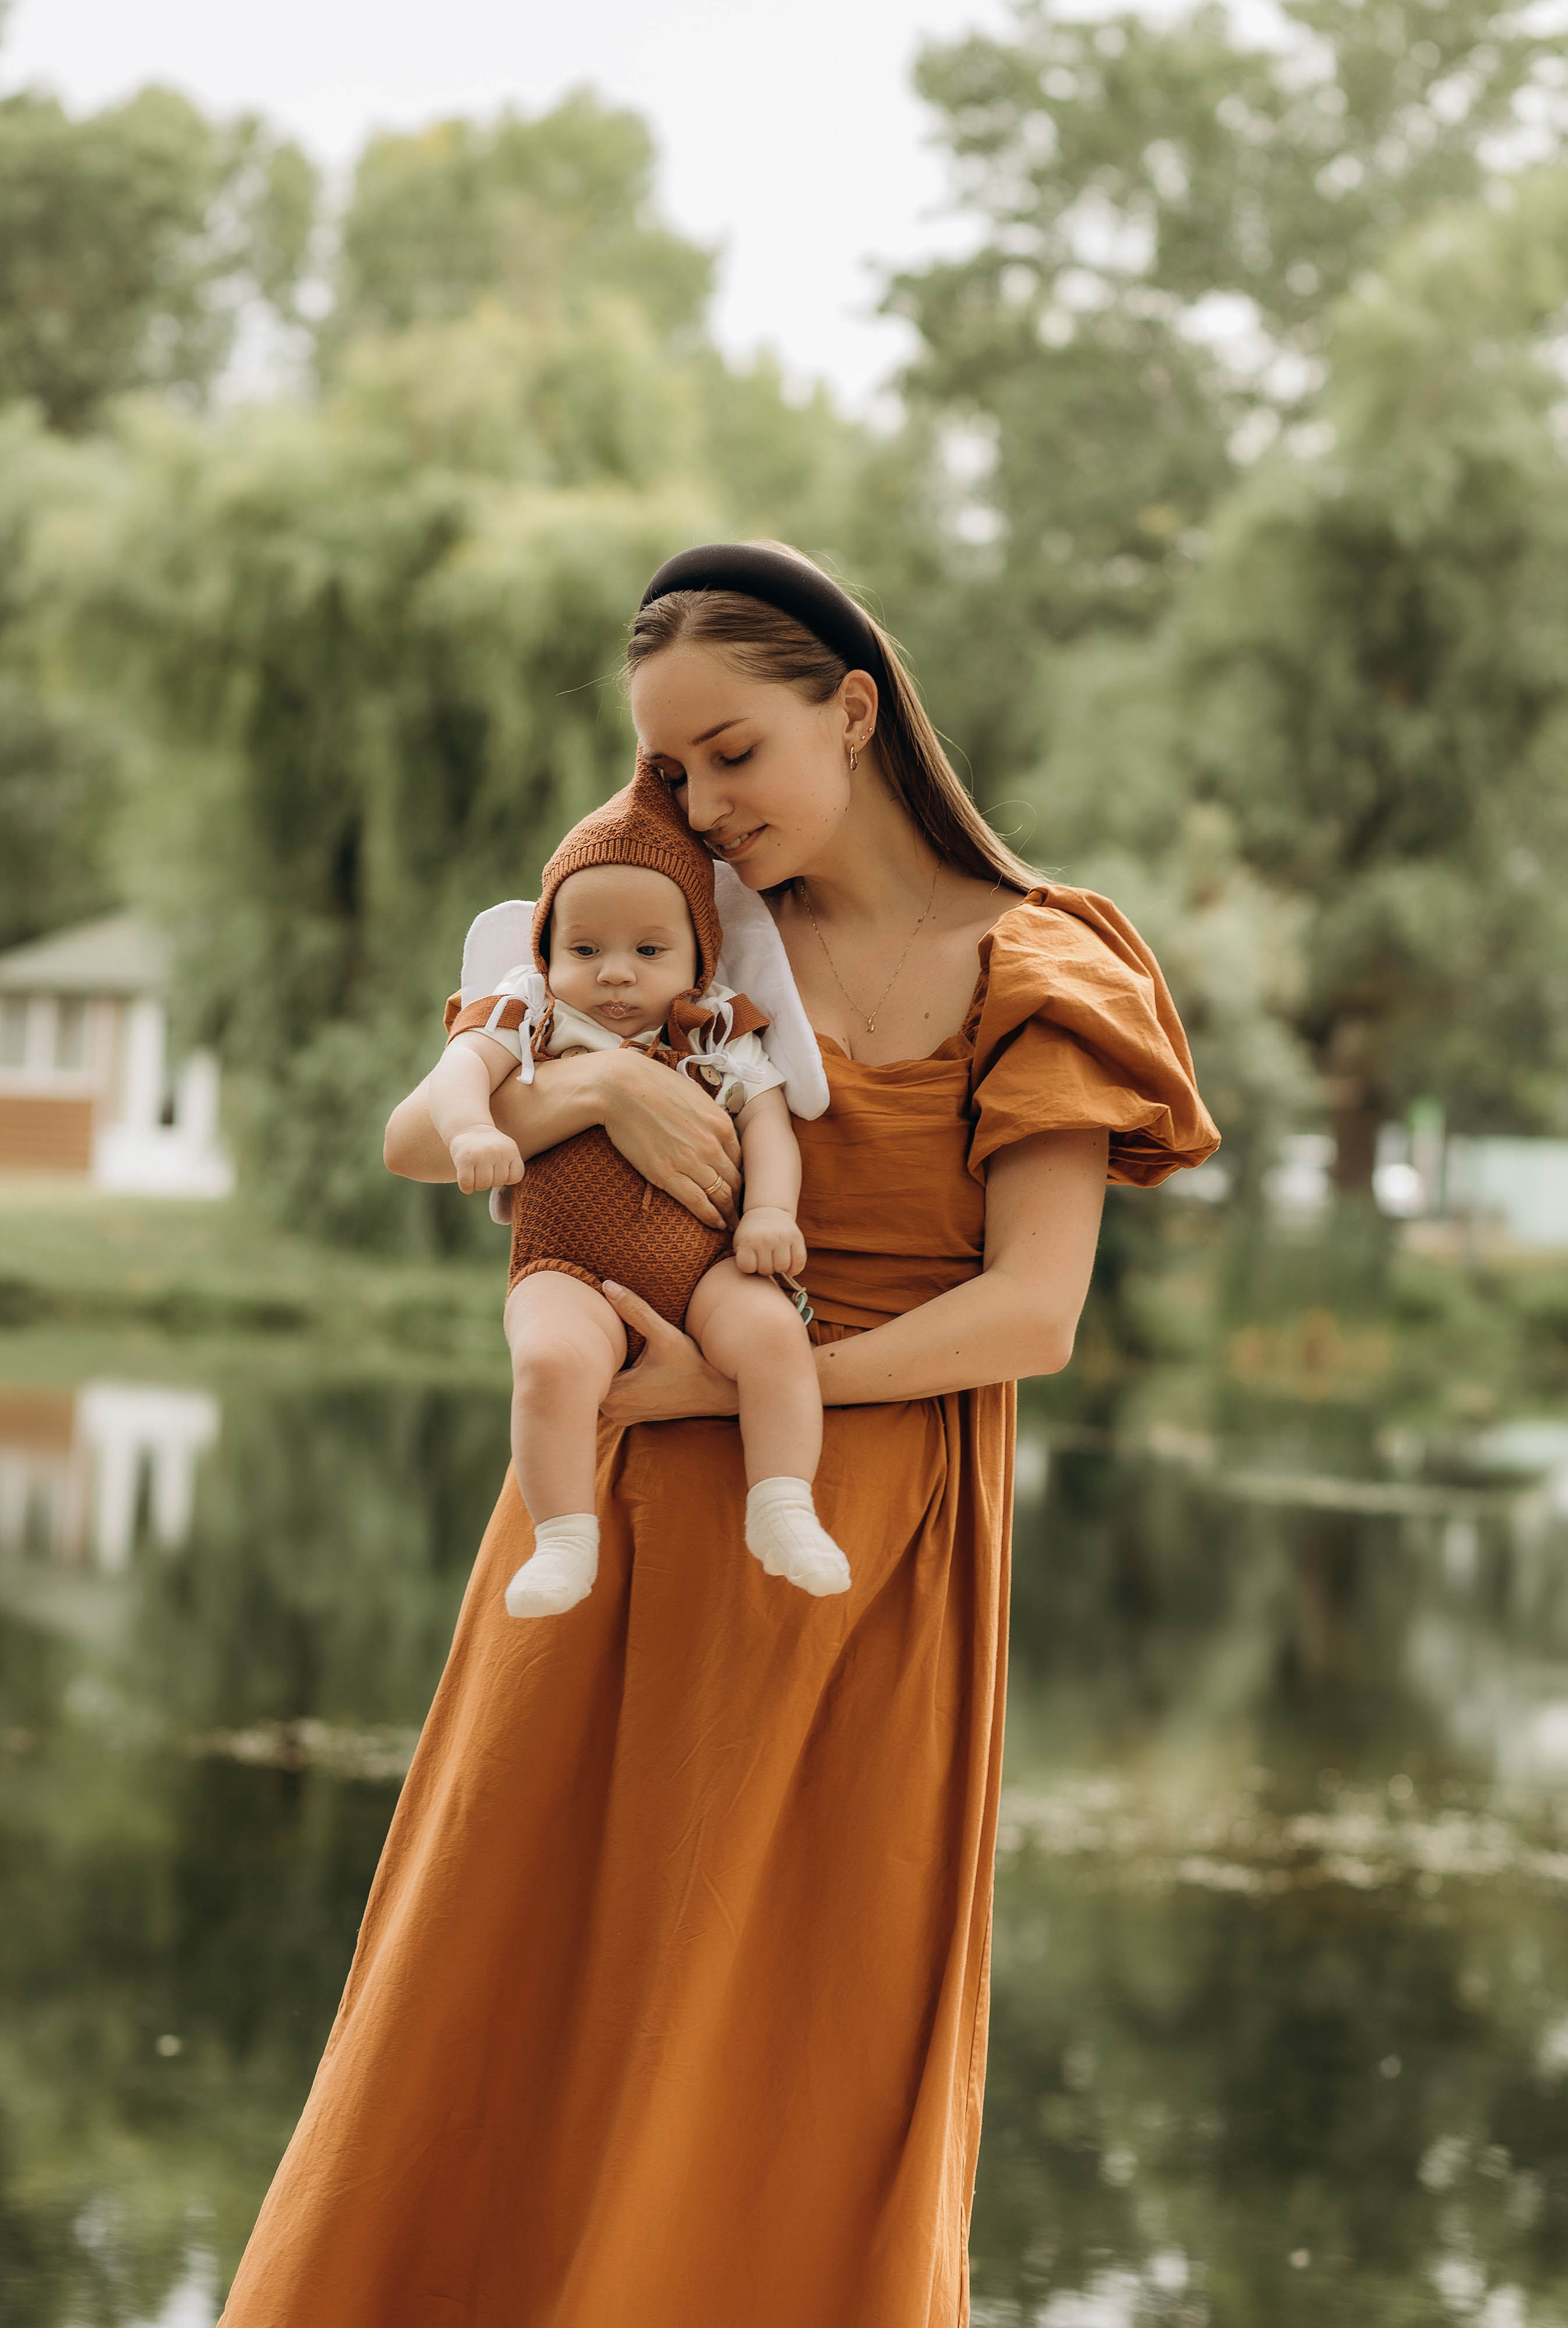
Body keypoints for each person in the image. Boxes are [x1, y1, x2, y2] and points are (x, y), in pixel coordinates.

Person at [219, 542, 1220, 2328]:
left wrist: (727, 1389)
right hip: (602, 1521)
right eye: (670, 769)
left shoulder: (1042, 965)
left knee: (792, 2025)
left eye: (732, 753)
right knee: (506, 1976)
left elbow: (1032, 1316)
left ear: (856, 710)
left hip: (859, 1538)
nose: (698, 803)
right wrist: (600, 1081)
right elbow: (432, 1125)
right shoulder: (680, 933)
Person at [425, 762, 850, 1613]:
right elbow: (457, 1071)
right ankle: (562, 1538)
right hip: (564, 1266)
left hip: (705, 1269)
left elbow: (770, 1122)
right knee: (550, 1361)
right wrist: (473, 1129)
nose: (615, 973)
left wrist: (770, 1212)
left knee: (774, 1335)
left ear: (699, 956)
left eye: (649, 952)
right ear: (546, 951)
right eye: (585, 950)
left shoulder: (717, 1028)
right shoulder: (532, 1013)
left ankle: (783, 1505)